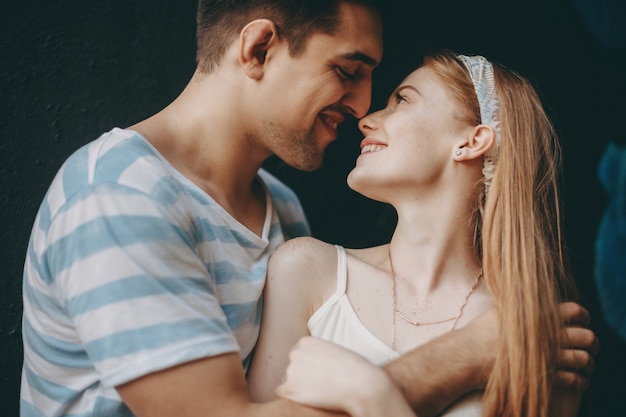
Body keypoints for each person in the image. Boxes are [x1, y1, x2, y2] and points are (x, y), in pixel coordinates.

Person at [20, 1, 596, 416]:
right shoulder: (121, 197)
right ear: (259, 47)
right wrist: (461, 357)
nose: (364, 105)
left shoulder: (282, 213)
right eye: (348, 72)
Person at [247, 50, 596, 417]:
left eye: (402, 100)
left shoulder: (540, 331)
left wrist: (368, 393)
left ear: (472, 141)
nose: (366, 120)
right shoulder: (306, 269)